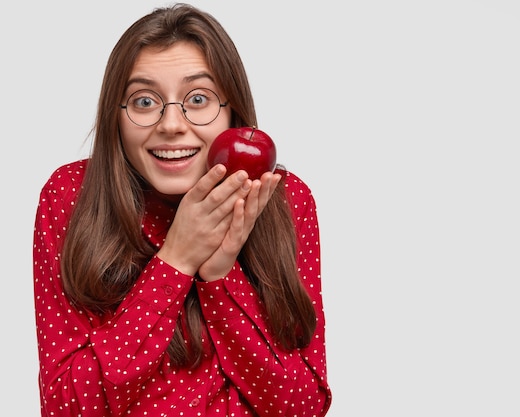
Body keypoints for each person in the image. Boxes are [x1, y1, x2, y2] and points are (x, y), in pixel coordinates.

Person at [32, 3, 332, 416]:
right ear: (115, 117)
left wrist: (219, 274)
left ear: (233, 114)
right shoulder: (71, 196)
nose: (171, 124)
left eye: (197, 98)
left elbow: (303, 407)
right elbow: (65, 406)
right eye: (143, 101)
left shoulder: (283, 199)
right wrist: (176, 259)